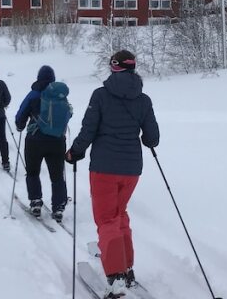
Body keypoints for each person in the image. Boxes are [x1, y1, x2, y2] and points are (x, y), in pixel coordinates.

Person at [65, 50, 159, 299]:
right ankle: (126, 268)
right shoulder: (143, 99)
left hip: (104, 168)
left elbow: (88, 130)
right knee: (119, 215)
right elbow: (152, 138)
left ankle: (116, 276)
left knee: (107, 220)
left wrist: (75, 152)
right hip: (131, 170)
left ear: (113, 67)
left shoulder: (101, 95)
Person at [15, 65, 69, 221]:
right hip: (57, 141)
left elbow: (21, 115)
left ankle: (36, 202)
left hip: (35, 140)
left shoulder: (33, 94)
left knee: (33, 172)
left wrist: (20, 126)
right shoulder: (60, 95)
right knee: (57, 175)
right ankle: (58, 206)